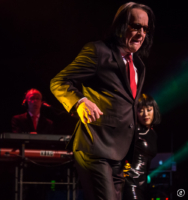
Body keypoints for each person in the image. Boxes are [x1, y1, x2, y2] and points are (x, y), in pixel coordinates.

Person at [50, 2, 155, 200]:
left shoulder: (138, 65)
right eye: (135, 26)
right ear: (121, 26)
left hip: (120, 152)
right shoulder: (98, 51)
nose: (141, 33)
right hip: (95, 146)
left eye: (145, 29)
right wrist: (79, 101)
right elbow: (59, 81)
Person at [122, 93, 161, 200]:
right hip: (130, 183)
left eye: (149, 110)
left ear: (154, 110)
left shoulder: (153, 134)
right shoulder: (133, 131)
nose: (145, 114)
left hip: (143, 186)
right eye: (141, 110)